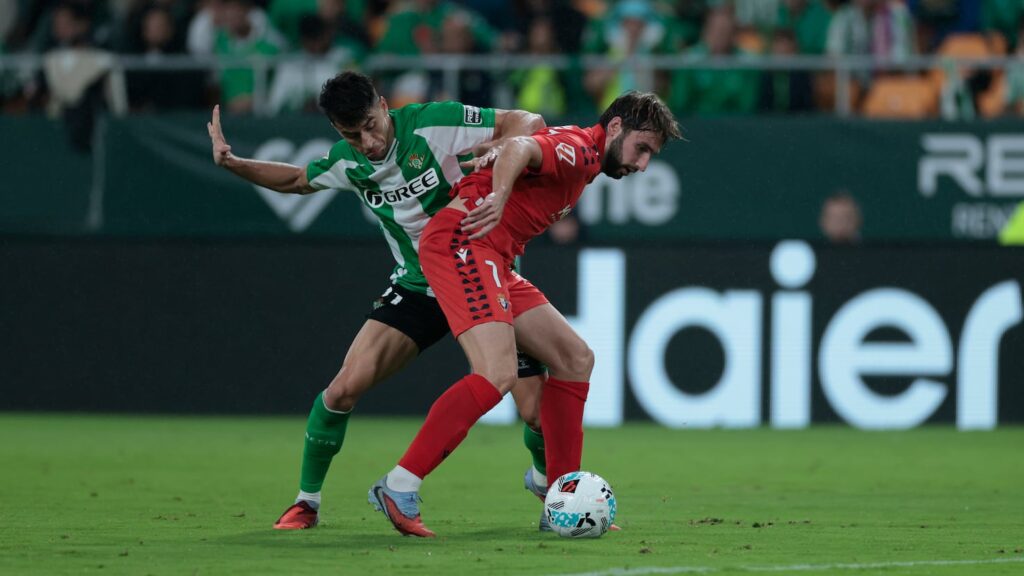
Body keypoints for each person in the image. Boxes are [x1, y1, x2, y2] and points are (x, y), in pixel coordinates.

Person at [206, 70, 550, 530]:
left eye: (371, 125)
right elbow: (297, 180)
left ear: (384, 106)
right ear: (337, 131)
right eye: (352, 134)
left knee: (536, 411)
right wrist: (234, 163)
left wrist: (498, 149)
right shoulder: (347, 162)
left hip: (485, 276)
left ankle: (547, 484)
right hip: (419, 287)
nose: (367, 142)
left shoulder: (433, 123)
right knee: (342, 389)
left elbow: (527, 121)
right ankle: (306, 502)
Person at [367, 91, 681, 537]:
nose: (643, 164)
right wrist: (498, 194)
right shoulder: (580, 149)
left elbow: (522, 144)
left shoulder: (587, 159)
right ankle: (400, 484)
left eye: (650, 155)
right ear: (615, 128)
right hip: (464, 243)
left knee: (575, 358)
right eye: (642, 148)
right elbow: (521, 145)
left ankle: (560, 498)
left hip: (494, 257)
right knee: (497, 374)